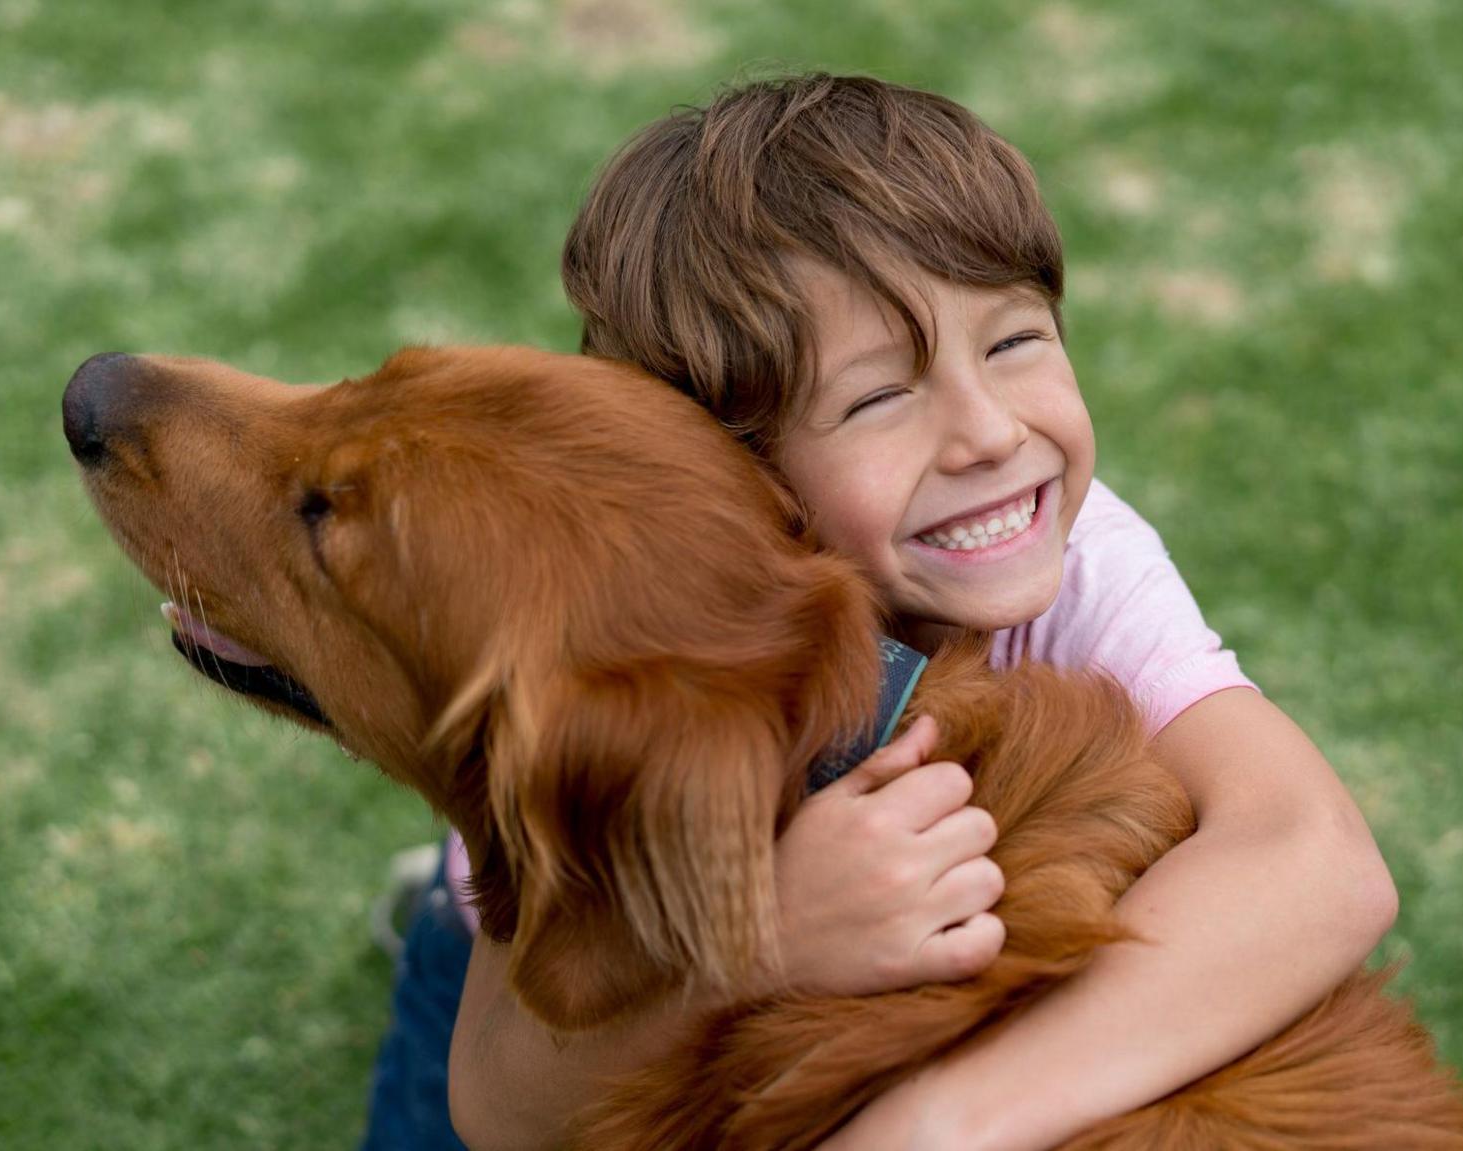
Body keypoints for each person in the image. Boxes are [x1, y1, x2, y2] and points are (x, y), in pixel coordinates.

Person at [362, 72, 1397, 1151]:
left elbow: (1315, 858)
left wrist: (938, 1125)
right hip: (580, 954)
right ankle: (439, 917)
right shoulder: (601, 650)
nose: (989, 433)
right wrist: (757, 943)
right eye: (878, 397)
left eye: (1012, 341)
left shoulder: (1082, 560)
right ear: (739, 480)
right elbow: (497, 1109)